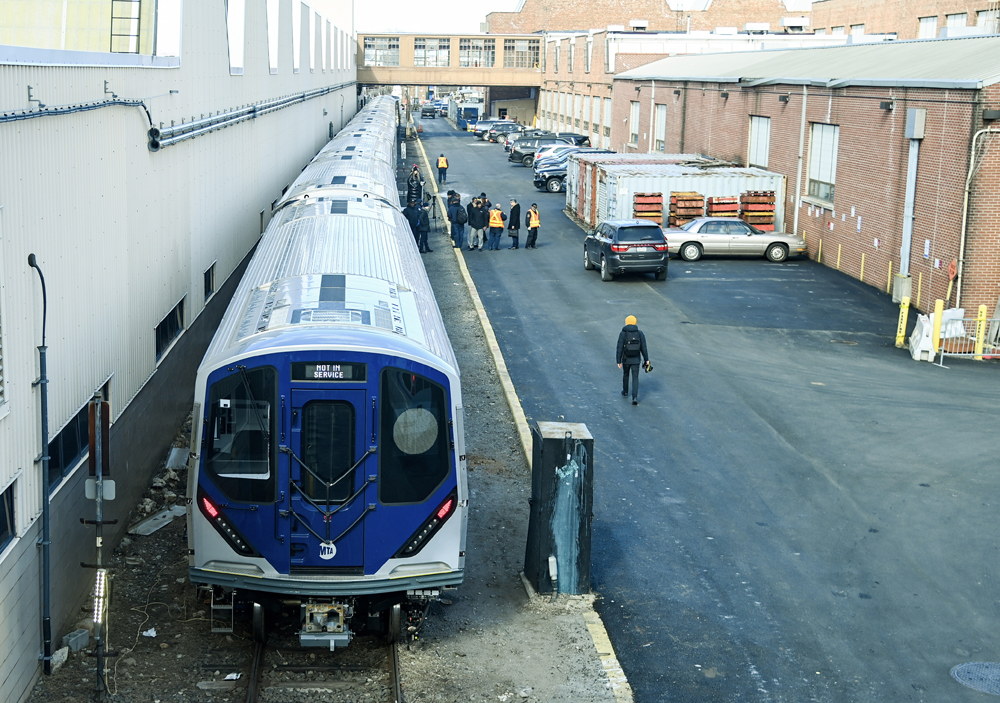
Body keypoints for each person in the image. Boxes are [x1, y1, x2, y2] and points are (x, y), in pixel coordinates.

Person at [616, 315, 649, 405]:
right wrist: (647, 360)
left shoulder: (623, 333)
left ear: (626, 322)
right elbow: (644, 348)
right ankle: (635, 397)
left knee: (626, 374)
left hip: (626, 359)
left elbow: (619, 347)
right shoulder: (640, 333)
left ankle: (625, 391)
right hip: (636, 359)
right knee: (635, 377)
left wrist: (618, 361)